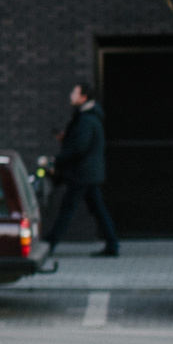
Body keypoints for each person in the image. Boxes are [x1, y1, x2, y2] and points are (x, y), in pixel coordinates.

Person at [45, 80, 119, 258]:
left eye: (75, 93)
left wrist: (57, 159)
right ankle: (112, 244)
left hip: (82, 174)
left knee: (67, 209)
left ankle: (49, 244)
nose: (71, 95)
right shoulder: (89, 117)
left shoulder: (85, 119)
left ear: (84, 97)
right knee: (97, 209)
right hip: (89, 173)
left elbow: (79, 147)